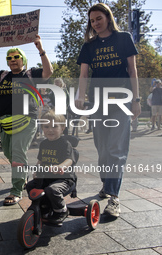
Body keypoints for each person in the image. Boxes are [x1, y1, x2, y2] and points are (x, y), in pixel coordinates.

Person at [75, 3, 141, 217]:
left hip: (121, 100)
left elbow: (132, 71)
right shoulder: (89, 46)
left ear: (108, 17)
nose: (95, 23)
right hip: (98, 103)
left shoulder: (123, 38)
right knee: (102, 150)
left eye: (98, 18)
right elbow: (84, 75)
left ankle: (114, 197)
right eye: (92, 21)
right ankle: (107, 185)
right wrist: (80, 97)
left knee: (116, 149)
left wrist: (137, 100)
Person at [0, 34, 54, 205]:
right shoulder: (2, 76)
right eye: (9, 58)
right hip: (4, 121)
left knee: (18, 153)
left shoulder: (32, 73)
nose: (13, 60)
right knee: (9, 153)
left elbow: (49, 72)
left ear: (23, 59)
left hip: (26, 119)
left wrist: (41, 50)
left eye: (16, 57)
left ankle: (16, 190)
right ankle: (22, 174)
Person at [26, 110, 76, 224]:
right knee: (30, 186)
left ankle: (61, 210)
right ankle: (44, 206)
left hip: (65, 179)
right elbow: (41, 160)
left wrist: (60, 166)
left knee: (53, 190)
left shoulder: (65, 143)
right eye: (46, 127)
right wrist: (36, 171)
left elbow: (69, 159)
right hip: (47, 177)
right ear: (42, 128)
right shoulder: (44, 144)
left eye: (54, 126)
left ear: (62, 128)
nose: (50, 130)